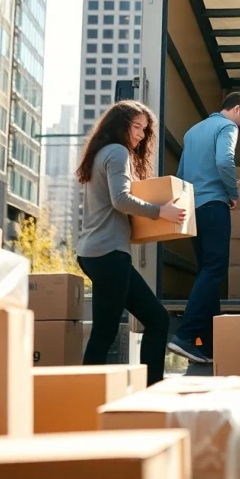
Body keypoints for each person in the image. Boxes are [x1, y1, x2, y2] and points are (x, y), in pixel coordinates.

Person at [75, 100, 185, 386]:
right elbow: (120, 199)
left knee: (153, 320)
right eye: (136, 126)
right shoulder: (117, 152)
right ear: (118, 125)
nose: (139, 134)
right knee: (106, 331)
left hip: (95, 253)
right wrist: (162, 211)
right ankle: (87, 394)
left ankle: (146, 388)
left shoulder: (100, 154)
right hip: (109, 254)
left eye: (144, 129)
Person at [167, 91, 240, 364]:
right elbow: (224, 160)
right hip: (215, 206)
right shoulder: (227, 126)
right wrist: (233, 193)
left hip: (194, 209)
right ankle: (185, 335)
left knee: (207, 274)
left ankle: (205, 346)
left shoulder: (192, 132)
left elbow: (181, 175)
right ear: (237, 109)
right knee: (215, 271)